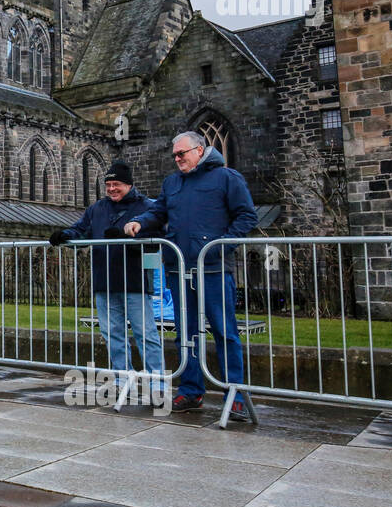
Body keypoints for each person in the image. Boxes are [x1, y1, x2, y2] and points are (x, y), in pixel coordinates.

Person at [125, 131, 259, 420]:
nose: (177, 159)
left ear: (199, 150)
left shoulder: (227, 177)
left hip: (212, 269)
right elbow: (158, 213)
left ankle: (235, 394)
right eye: (174, 155)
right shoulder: (172, 182)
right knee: (186, 334)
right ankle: (190, 390)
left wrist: (221, 245)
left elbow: (246, 216)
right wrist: (138, 221)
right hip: (178, 270)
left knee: (225, 333)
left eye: (181, 154)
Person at [49, 160, 165, 398]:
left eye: (117, 184)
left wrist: (129, 237)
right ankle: (123, 380)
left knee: (146, 334)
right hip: (105, 280)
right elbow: (81, 229)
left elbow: (157, 236)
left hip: (134, 280)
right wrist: (64, 236)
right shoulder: (97, 209)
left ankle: (157, 383)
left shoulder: (148, 207)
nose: (112, 189)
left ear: (129, 184)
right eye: (109, 184)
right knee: (113, 334)